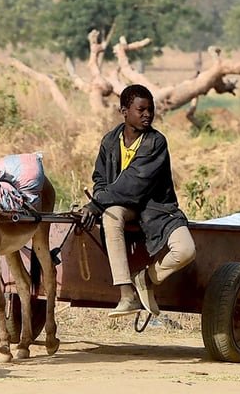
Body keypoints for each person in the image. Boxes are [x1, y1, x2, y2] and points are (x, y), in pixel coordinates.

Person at [81, 84, 196, 317]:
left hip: (157, 209)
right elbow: (100, 178)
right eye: (141, 110)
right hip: (124, 207)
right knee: (111, 215)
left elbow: (135, 184)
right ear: (124, 111)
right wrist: (100, 200)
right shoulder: (109, 141)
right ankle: (126, 294)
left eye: (150, 110)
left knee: (186, 251)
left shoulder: (156, 142)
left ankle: (146, 278)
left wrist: (97, 202)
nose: (148, 115)